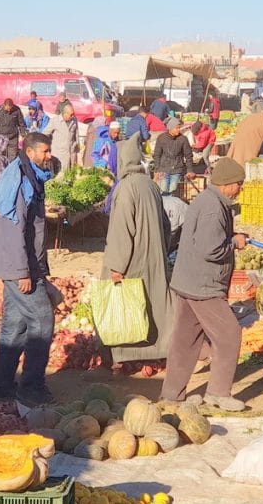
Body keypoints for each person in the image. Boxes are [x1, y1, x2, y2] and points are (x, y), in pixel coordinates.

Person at [160, 157, 248, 412]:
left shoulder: (207, 200)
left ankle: (172, 395)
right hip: (203, 285)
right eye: (239, 184)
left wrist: (230, 237)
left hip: (187, 281)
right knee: (229, 334)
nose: (240, 188)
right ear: (228, 184)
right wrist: (235, 243)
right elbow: (211, 248)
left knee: (184, 340)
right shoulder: (213, 208)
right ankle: (218, 393)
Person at [0, 132, 56, 407]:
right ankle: (31, 387)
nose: (49, 156)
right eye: (45, 152)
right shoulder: (21, 182)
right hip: (17, 267)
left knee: (14, 327)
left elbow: (31, 231)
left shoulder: (30, 176)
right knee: (42, 320)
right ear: (30, 151)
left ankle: (1, 386)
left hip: (22, 266)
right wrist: (23, 272)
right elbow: (14, 230)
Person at [101, 133, 174, 365]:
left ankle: (126, 356)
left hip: (133, 259)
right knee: (153, 303)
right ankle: (157, 352)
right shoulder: (150, 185)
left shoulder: (125, 187)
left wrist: (116, 266)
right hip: (153, 254)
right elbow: (166, 224)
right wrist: (161, 249)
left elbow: (121, 230)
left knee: (129, 308)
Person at [152, 117, 194, 195]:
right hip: (163, 170)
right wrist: (157, 169)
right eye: (177, 128)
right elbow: (157, 154)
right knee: (163, 192)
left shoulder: (183, 139)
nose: (179, 129)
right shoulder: (161, 138)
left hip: (177, 170)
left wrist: (190, 170)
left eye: (179, 128)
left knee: (173, 192)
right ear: (170, 128)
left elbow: (188, 156)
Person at [49, 104, 79, 177]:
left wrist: (77, 147)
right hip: (59, 154)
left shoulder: (74, 121)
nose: (73, 116)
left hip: (71, 153)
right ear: (65, 113)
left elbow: (76, 135)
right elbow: (45, 134)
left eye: (73, 114)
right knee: (60, 176)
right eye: (71, 114)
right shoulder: (55, 121)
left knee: (71, 175)